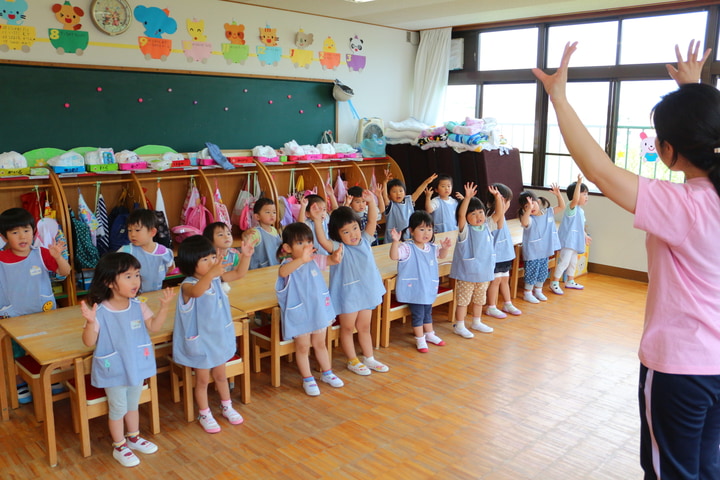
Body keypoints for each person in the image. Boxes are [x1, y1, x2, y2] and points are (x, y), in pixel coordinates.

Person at [533, 39, 719, 479]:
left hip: (681, 368)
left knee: (669, 472)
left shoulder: (685, 207)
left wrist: (558, 97)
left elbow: (598, 169)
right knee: (708, 466)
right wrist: (694, 93)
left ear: (670, 149)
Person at [80, 252, 175, 467]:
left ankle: (133, 437)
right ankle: (119, 445)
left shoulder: (138, 305)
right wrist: (89, 322)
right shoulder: (100, 311)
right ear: (109, 282)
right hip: (114, 370)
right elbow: (88, 341)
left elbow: (154, 327)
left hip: (136, 366)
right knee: (118, 409)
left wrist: (164, 308)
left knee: (133, 405)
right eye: (128, 276)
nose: (135, 281)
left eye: (137, 275)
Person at [172, 235, 253, 433]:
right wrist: (212, 273)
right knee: (201, 380)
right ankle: (204, 413)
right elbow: (198, 291)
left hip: (217, 339)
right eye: (205, 260)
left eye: (211, 257)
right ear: (191, 264)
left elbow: (240, 273)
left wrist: (246, 256)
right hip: (201, 344)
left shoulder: (216, 278)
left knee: (221, 376)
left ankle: (227, 406)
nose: (211, 262)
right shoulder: (187, 285)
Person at [0, 207, 72, 404]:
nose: (22, 236)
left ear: (34, 232)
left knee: (47, 348)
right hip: (13, 316)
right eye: (15, 232)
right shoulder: (1, 258)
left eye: (26, 230)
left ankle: (51, 377)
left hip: (43, 313)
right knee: (15, 352)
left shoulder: (41, 253)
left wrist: (58, 257)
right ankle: (19, 383)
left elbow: (65, 272)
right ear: (4, 237)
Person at [315, 193, 388, 375]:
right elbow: (323, 241)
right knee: (347, 328)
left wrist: (371, 202)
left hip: (366, 291)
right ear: (338, 235)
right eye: (346, 232)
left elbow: (372, 221)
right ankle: (352, 360)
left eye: (354, 228)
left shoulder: (365, 240)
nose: (353, 234)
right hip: (348, 294)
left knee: (364, 327)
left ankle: (369, 357)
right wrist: (317, 221)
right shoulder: (338, 247)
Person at [275, 222, 344, 396]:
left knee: (320, 343)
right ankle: (307, 378)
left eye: (308, 242)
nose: (306, 247)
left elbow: (329, 261)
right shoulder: (288, 264)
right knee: (303, 347)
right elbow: (283, 273)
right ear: (287, 248)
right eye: (300, 243)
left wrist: (335, 257)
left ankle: (327, 372)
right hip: (300, 314)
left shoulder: (315, 259)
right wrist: (301, 260)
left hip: (318, 310)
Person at [389, 211, 452, 352]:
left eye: (429, 229)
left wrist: (445, 248)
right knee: (418, 315)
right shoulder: (406, 248)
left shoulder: (431, 247)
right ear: (411, 231)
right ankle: (420, 338)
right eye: (422, 229)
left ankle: (430, 334)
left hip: (427, 288)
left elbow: (441, 256)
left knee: (427, 313)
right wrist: (395, 242)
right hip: (415, 290)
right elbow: (394, 256)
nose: (426, 233)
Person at [450, 182, 502, 338]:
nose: (478, 216)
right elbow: (461, 215)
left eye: (480, 212)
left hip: (484, 272)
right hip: (468, 273)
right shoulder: (465, 230)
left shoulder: (487, 226)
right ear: (466, 217)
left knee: (480, 299)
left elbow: (498, 214)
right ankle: (459, 325)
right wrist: (466, 198)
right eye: (473, 214)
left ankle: (476, 322)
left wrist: (498, 197)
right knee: (463, 300)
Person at [518, 187, 563, 304]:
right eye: (526, 206)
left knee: (543, 271)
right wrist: (528, 210)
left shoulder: (548, 213)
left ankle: (538, 290)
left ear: (538, 202)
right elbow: (524, 222)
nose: (530, 208)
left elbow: (562, 207)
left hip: (545, 250)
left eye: (532, 204)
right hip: (533, 252)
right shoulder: (529, 219)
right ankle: (527, 293)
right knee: (532, 272)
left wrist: (558, 195)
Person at [484, 183, 522, 319]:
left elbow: (502, 211)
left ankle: (507, 303)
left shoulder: (501, 215)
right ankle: (491, 307)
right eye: (505, 200)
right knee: (496, 281)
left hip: (504, 254)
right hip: (495, 256)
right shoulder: (491, 217)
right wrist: (498, 199)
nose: (508, 203)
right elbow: (499, 217)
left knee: (505, 279)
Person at [549, 174, 592, 294]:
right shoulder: (571, 207)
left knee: (573, 262)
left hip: (575, 241)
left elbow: (580, 227)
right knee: (564, 262)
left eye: (586, 194)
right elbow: (575, 200)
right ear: (576, 195)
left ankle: (570, 281)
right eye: (584, 194)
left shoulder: (581, 211)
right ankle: (555, 282)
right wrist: (578, 183)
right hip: (568, 241)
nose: (586, 197)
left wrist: (585, 235)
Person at [118, 209, 174, 293]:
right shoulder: (126, 251)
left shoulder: (163, 252)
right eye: (130, 230)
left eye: (137, 230)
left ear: (152, 232)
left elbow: (170, 267)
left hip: (156, 293)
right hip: (133, 296)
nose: (132, 234)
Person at [382, 170, 437, 243]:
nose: (398, 194)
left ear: (405, 192)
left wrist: (426, 182)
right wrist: (384, 183)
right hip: (393, 240)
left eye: (401, 191)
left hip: (409, 237)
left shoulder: (409, 201)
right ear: (389, 195)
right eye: (394, 192)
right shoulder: (390, 205)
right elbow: (384, 196)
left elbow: (418, 192)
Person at [242, 198, 281, 270]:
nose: (272, 215)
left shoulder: (274, 230)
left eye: (274, 212)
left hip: (275, 266)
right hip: (260, 269)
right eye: (267, 212)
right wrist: (244, 235)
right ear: (257, 216)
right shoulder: (255, 232)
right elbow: (246, 245)